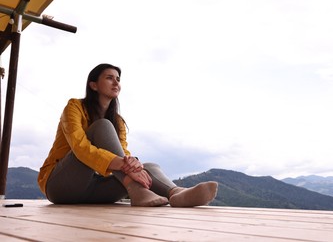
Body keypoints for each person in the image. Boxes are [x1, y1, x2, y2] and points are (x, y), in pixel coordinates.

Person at [37, 63, 218, 207]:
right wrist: (124, 164)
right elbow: (80, 148)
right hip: (61, 186)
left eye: (118, 79)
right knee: (102, 127)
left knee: (148, 167)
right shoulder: (74, 107)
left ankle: (176, 194)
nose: (116, 83)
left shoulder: (118, 121)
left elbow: (123, 152)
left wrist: (132, 163)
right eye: (110, 78)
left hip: (94, 189)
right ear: (93, 85)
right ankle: (136, 190)